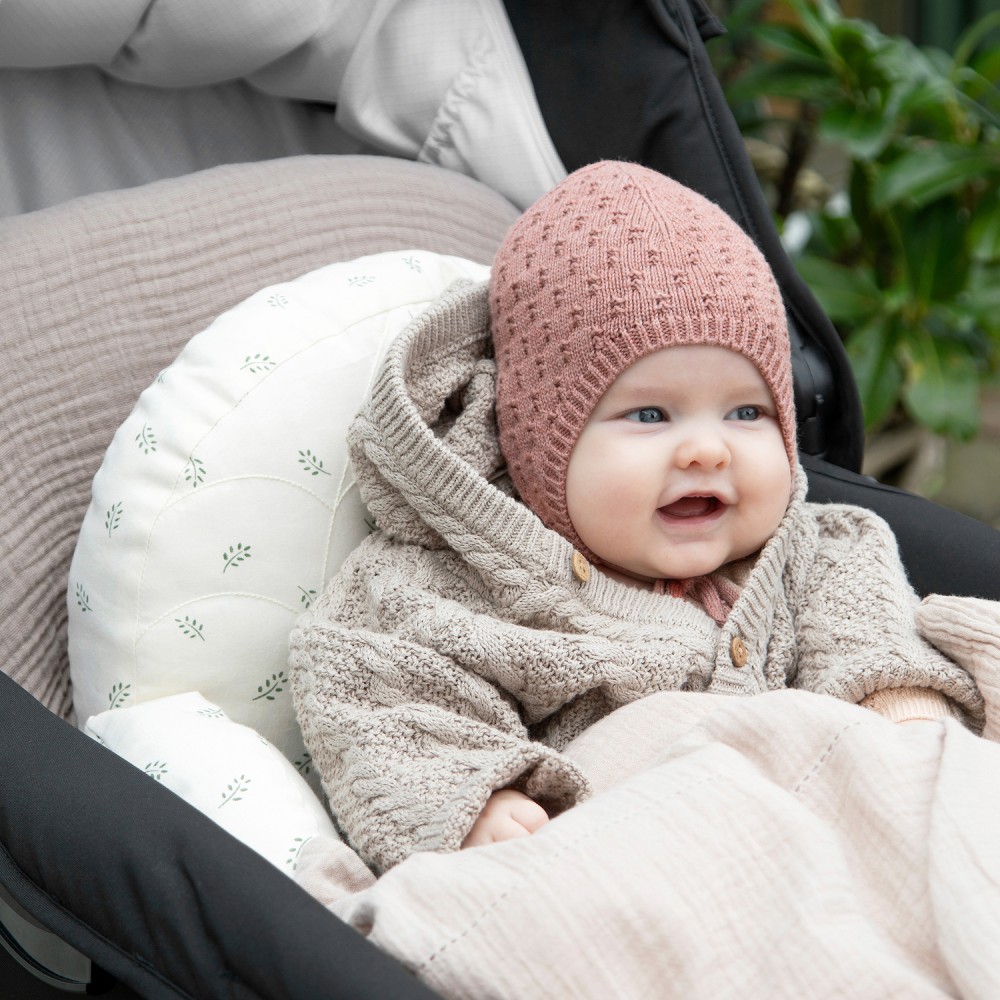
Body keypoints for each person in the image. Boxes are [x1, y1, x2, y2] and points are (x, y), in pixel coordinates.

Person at [289, 161, 983, 873]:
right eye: (650, 414)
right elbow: (374, 692)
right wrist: (477, 801)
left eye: (747, 412)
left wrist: (904, 714)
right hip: (625, 862)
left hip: (821, 845)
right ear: (537, 442)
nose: (709, 449)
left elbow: (870, 635)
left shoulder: (819, 551)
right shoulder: (446, 589)